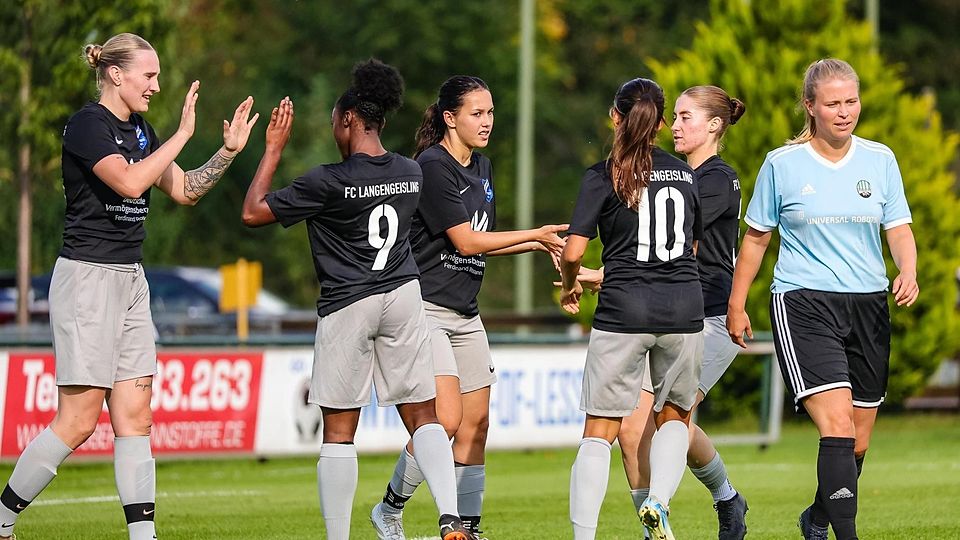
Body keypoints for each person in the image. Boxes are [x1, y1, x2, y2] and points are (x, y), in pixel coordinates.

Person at [0, 32, 257, 540]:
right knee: (77, 422)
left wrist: (227, 153)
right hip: (88, 278)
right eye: (150, 74)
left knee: (136, 415)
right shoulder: (86, 126)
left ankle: (144, 537)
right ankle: (2, 520)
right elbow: (131, 183)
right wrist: (182, 135)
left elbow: (183, 190)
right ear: (115, 74)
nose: (157, 85)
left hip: (130, 278)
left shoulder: (142, 129)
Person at [240, 59, 469, 540]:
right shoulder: (410, 171)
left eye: (333, 123)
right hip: (404, 294)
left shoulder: (327, 180)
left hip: (349, 302)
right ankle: (450, 518)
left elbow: (252, 212)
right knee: (423, 415)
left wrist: (274, 150)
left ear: (348, 119)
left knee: (340, 432)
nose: (333, 132)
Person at [726, 58, 918, 540]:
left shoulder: (881, 159)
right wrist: (736, 302)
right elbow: (755, 239)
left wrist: (907, 269)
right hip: (804, 300)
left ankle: (817, 516)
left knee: (858, 437)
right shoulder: (782, 164)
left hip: (869, 303)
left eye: (851, 101)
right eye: (832, 103)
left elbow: (898, 228)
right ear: (810, 107)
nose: (844, 111)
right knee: (836, 424)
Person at [370, 75, 566, 540]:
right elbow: (464, 238)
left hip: (466, 311)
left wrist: (538, 246)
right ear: (449, 117)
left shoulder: (483, 166)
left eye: (491, 112)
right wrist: (533, 232)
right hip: (426, 308)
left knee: (477, 424)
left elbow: (480, 246)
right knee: (448, 419)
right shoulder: (433, 165)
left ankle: (469, 529)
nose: (487, 122)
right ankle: (391, 509)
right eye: (477, 113)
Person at [560, 77, 703, 540]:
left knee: (599, 431)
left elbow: (573, 251)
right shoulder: (686, 175)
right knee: (675, 418)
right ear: (662, 122)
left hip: (624, 312)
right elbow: (689, 246)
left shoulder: (603, 174)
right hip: (684, 308)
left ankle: (585, 536)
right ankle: (658, 503)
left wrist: (570, 288)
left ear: (614, 117)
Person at [614, 85, 749, 540]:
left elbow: (674, 248)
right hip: (666, 315)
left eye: (687, 117)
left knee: (672, 418)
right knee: (635, 432)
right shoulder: (671, 174)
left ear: (714, 125)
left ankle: (675, 505)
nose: (675, 125)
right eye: (675, 116)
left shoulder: (716, 178)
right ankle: (711, 506)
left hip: (709, 316)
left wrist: (602, 275)